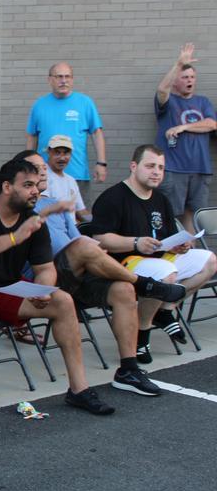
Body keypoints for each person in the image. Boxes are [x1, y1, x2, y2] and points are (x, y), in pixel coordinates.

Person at [0, 158, 116, 425]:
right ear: (7, 186)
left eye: (37, 186)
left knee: (62, 301)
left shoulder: (31, 221)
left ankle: (79, 389)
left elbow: (45, 267)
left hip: (5, 288)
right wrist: (15, 237)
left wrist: (43, 288)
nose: (35, 191)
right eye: (27, 185)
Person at [15, 150, 185, 396]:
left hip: (76, 273)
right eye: (34, 167)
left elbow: (77, 239)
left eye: (43, 167)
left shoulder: (56, 204)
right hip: (43, 277)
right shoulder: (15, 206)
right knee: (85, 247)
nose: (42, 171)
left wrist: (98, 251)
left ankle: (128, 369)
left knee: (123, 290)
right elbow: (25, 234)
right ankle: (145, 284)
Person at [90, 145, 217, 362]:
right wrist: (135, 242)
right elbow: (98, 238)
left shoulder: (160, 199)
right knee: (167, 274)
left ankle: (165, 310)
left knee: (210, 261)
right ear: (133, 166)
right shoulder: (113, 197)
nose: (156, 172)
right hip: (124, 263)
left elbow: (167, 236)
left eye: (160, 167)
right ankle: (142, 332)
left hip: (159, 259)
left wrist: (179, 245)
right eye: (150, 166)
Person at [154, 43, 216, 234]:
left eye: (192, 77)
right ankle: (170, 255)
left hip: (200, 169)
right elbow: (162, 90)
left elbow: (212, 124)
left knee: (193, 216)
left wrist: (184, 127)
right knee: (170, 214)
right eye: (184, 77)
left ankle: (192, 256)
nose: (189, 80)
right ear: (176, 81)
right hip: (174, 169)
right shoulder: (169, 102)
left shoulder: (202, 102)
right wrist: (179, 64)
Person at [26, 62, 107, 198]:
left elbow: (96, 133)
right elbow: (32, 136)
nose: (64, 81)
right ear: (50, 79)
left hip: (77, 173)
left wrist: (101, 163)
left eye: (67, 76)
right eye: (59, 77)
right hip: (44, 176)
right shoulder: (39, 105)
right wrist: (28, 165)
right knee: (44, 215)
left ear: (72, 79)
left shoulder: (85, 103)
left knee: (80, 216)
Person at [43, 134, 92, 223]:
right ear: (49, 152)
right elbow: (41, 209)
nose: (62, 158)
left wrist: (98, 223)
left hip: (71, 232)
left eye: (66, 153)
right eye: (57, 152)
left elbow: (81, 211)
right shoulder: (42, 176)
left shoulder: (71, 180)